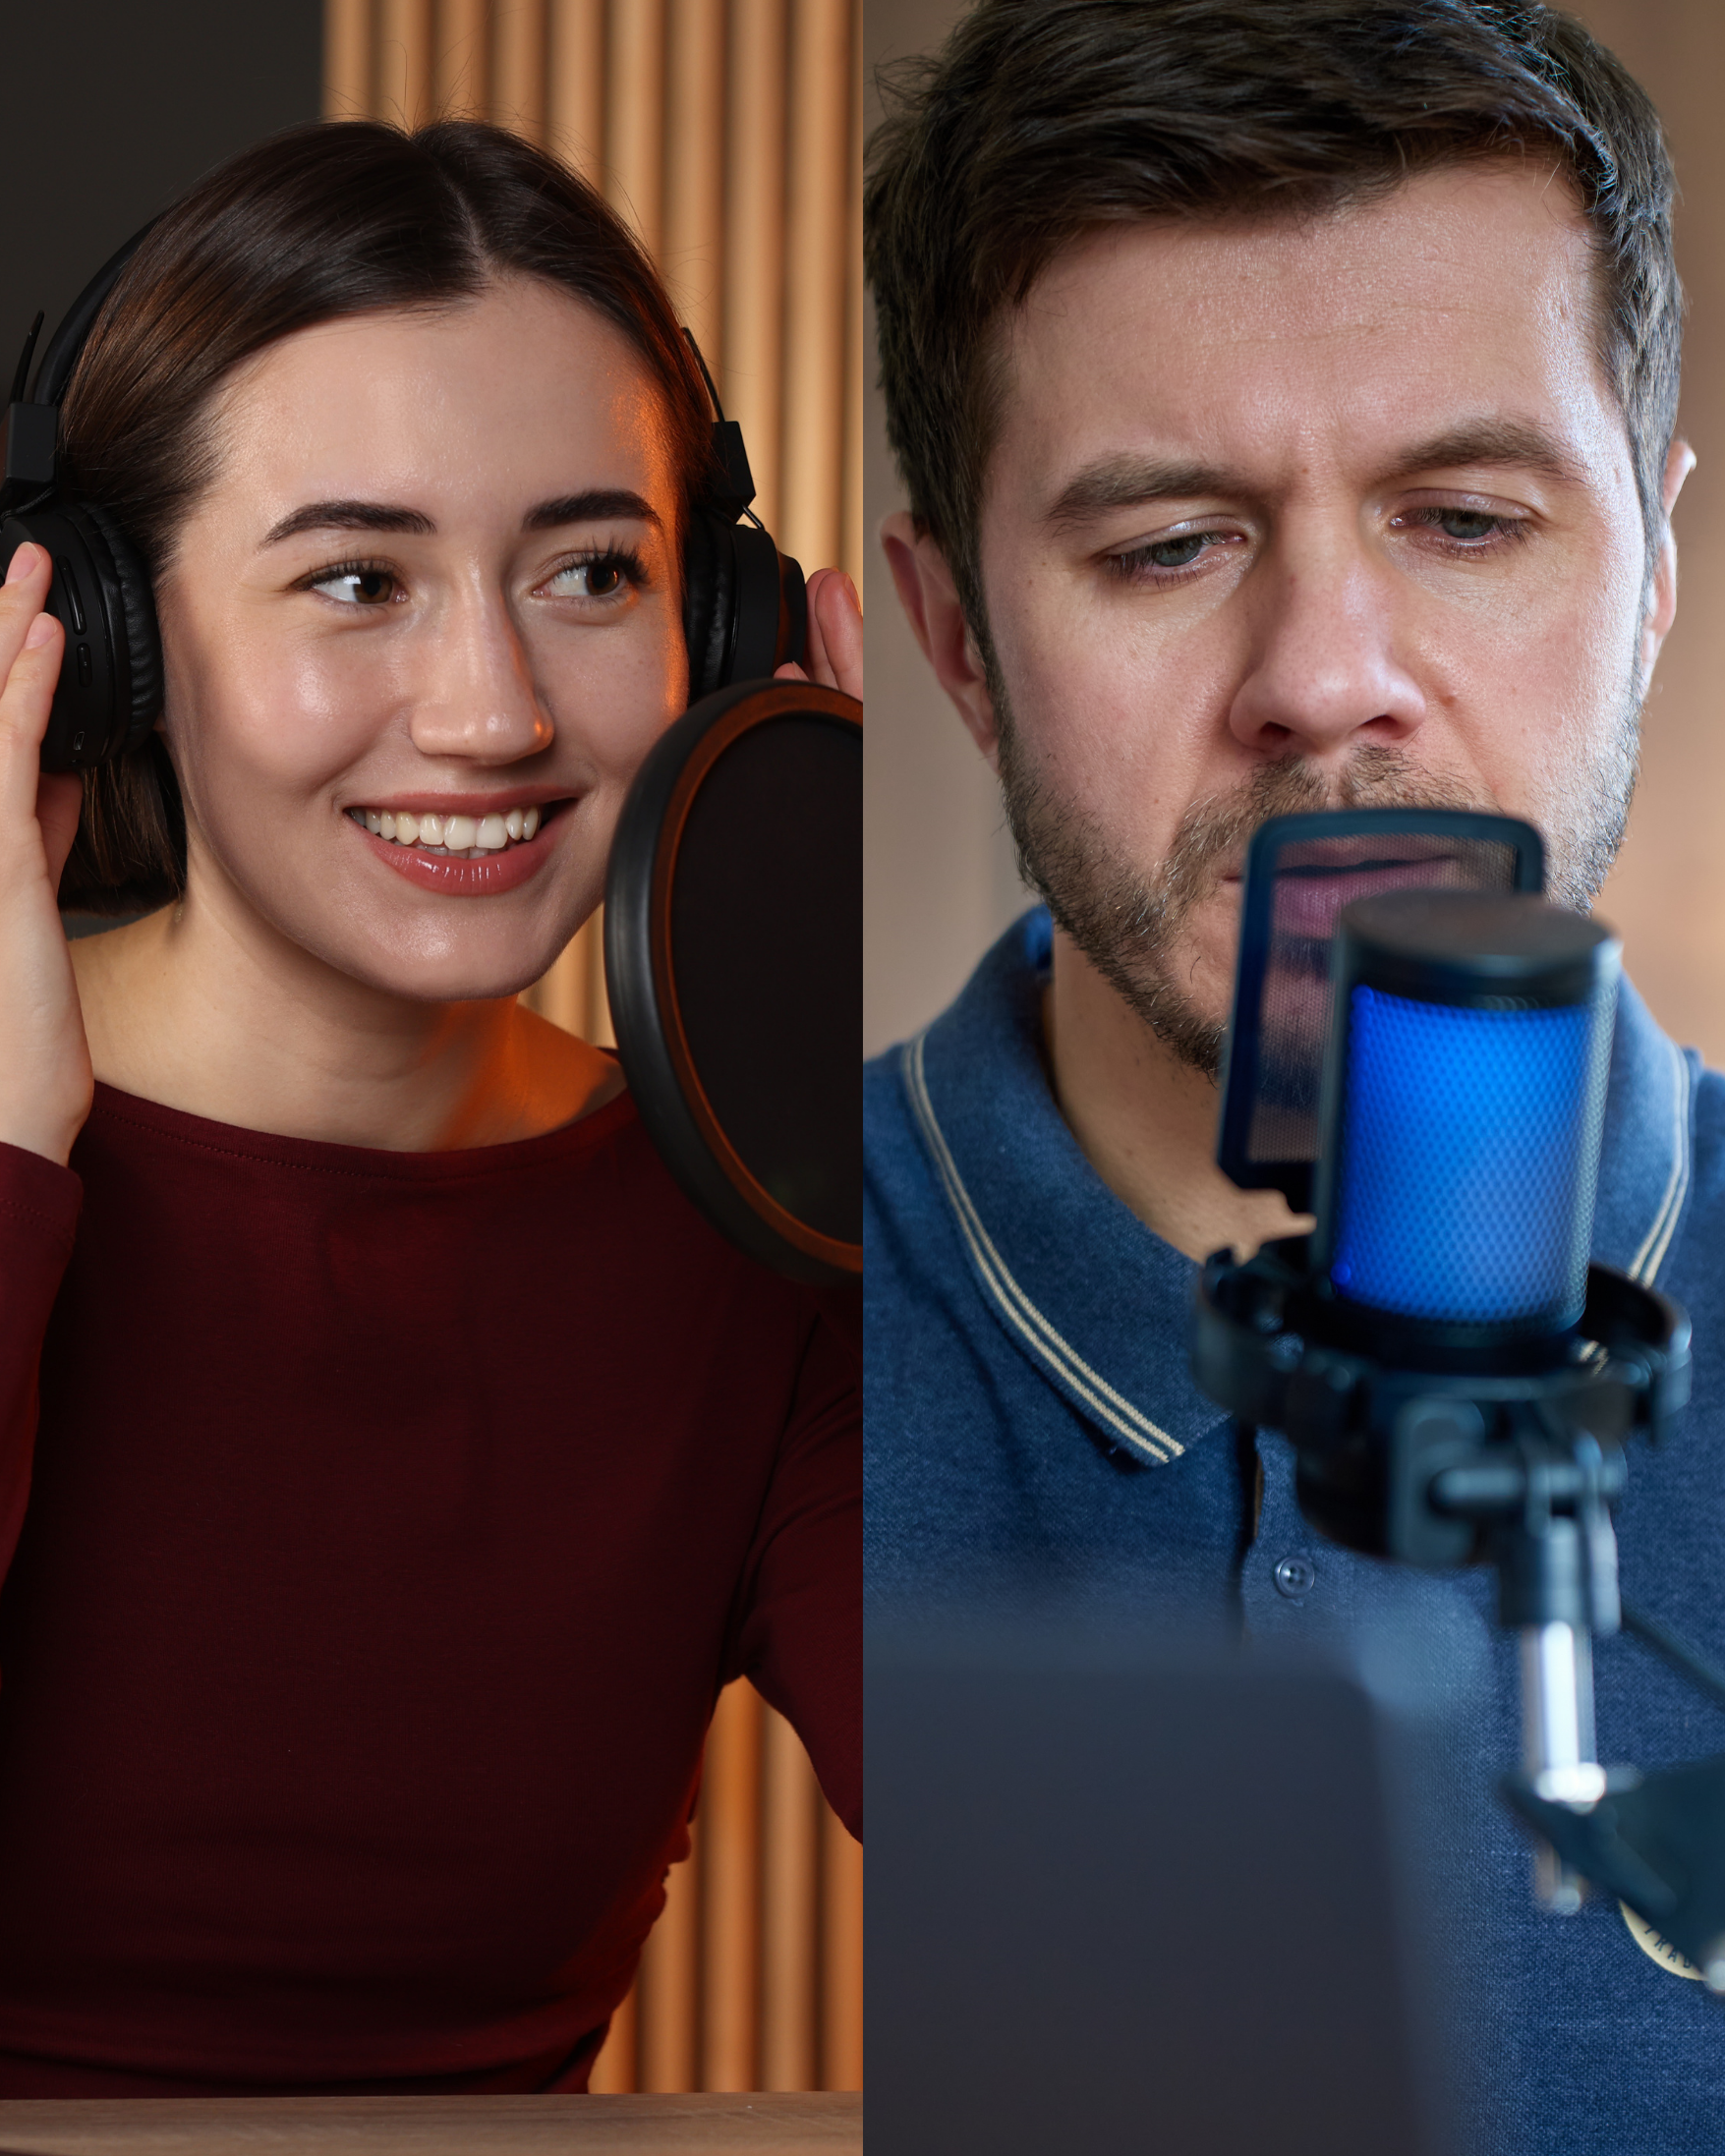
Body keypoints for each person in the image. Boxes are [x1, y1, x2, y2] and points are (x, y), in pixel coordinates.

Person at [864, 3, 1725, 2149]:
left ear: (1653, 576)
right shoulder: (763, 1301)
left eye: (1466, 518)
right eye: (1166, 544)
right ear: (956, 642)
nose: (1326, 683)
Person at [0, 117, 861, 2095]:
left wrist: (933, 1073)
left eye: (590, 570)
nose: (492, 710)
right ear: (109, 651)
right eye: (357, 577)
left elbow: (1096, 1869)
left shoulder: (753, 1212)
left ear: (720, 630)